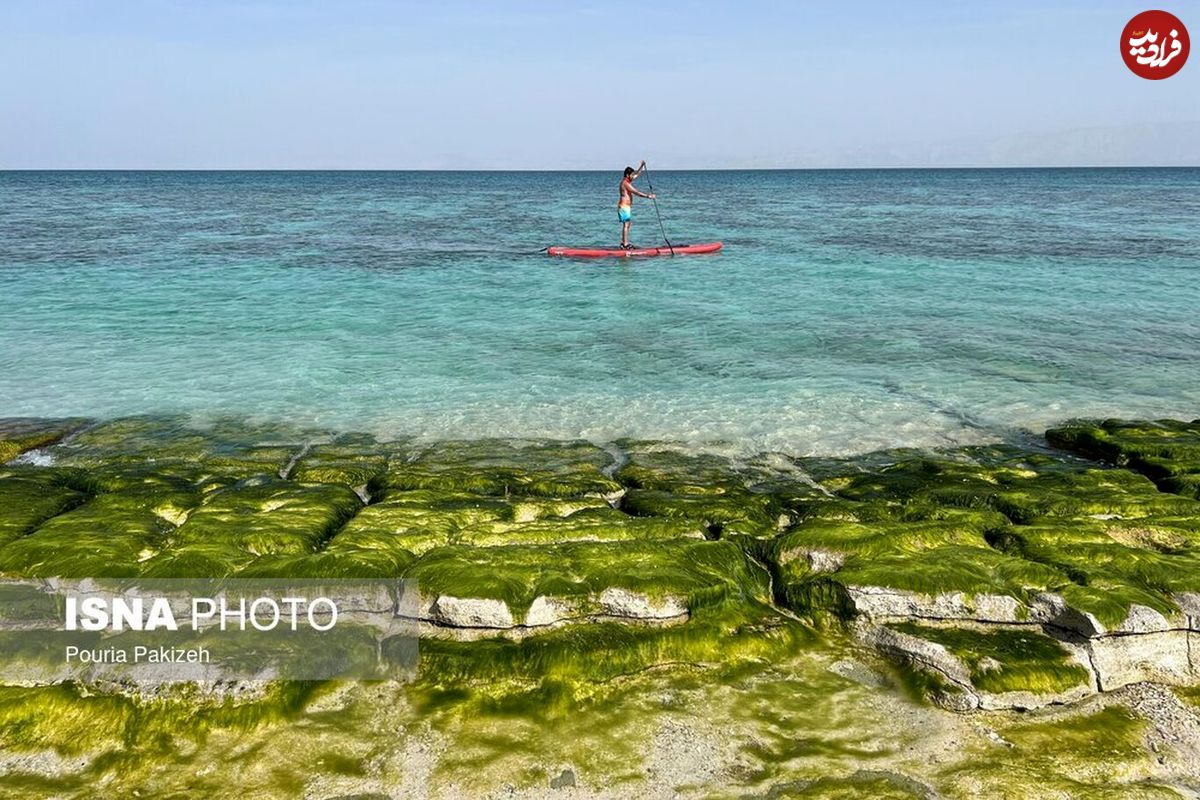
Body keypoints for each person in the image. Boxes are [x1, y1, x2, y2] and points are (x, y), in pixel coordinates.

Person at [618, 160, 655, 249]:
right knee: (626, 225)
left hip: (626, 207)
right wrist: (648, 196)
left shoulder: (628, 180)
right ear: (627, 175)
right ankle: (625, 244)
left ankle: (624, 242)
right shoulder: (625, 183)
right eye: (631, 175)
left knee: (628, 224)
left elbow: (637, 174)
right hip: (624, 207)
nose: (632, 176)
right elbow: (636, 192)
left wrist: (641, 166)